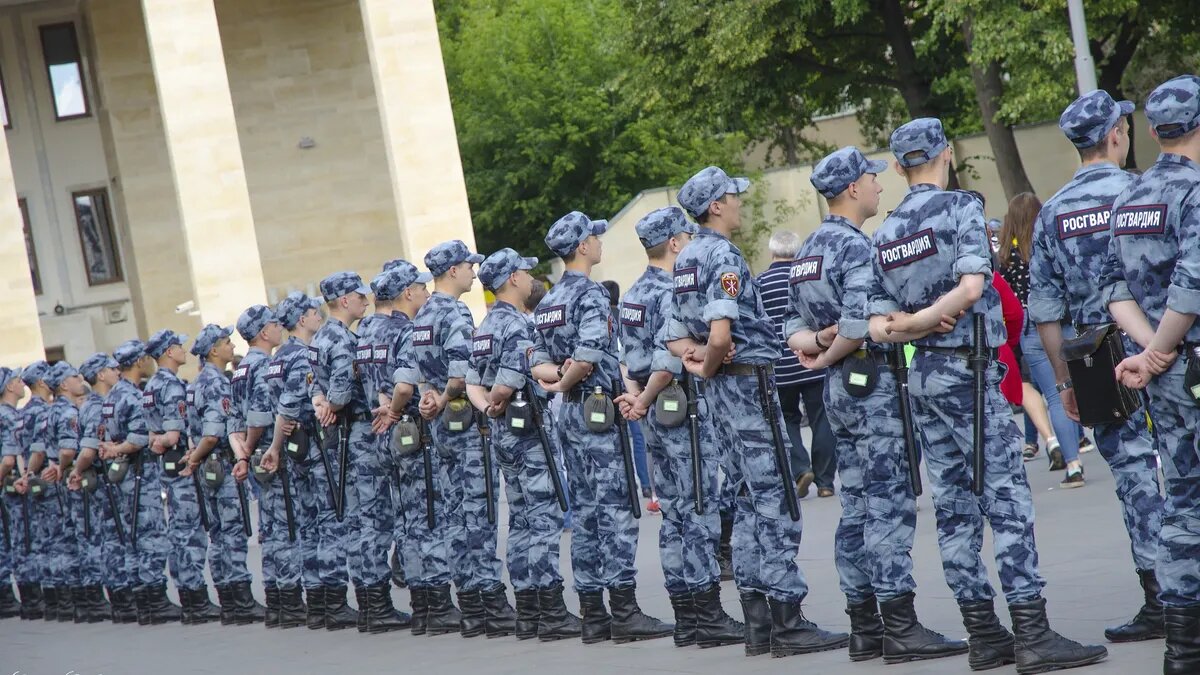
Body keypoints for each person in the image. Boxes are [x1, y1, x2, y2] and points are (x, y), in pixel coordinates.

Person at [870, 117, 1107, 672]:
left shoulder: (886, 232)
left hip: (924, 376)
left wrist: (911, 326)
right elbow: (973, 287)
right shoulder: (960, 210)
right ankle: (1032, 633)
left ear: (900, 166)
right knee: (1006, 501)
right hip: (968, 373)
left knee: (953, 507)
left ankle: (983, 634)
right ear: (946, 154)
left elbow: (876, 325)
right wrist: (930, 319)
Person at [787, 146, 966, 663]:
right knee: (888, 504)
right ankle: (900, 626)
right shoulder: (853, 247)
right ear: (851, 189)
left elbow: (792, 326)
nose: (878, 185)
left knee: (858, 505)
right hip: (872, 386)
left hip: (839, 391)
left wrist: (817, 348)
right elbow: (857, 322)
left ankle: (864, 625)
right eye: (870, 178)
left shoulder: (808, 251)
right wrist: (831, 350)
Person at [666, 166, 848, 659]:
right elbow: (720, 333)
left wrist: (698, 362)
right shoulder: (721, 254)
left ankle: (757, 621)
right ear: (716, 206)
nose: (739, 203)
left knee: (744, 499)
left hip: (723, 393)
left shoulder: (685, 259)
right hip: (748, 386)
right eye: (733, 196)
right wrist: (709, 361)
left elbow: (674, 335)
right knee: (776, 498)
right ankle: (787, 620)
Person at [1029, 88, 1166, 644]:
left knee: (1135, 477)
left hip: (1098, 360)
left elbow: (1045, 311)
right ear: (1115, 135)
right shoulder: (1145, 190)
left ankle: (1162, 598)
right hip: (1162, 343)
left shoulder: (1052, 213)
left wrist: (1064, 382)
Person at [531, 210, 672, 644]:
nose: (598, 242)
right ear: (582, 248)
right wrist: (566, 380)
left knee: (587, 512)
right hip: (597, 412)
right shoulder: (589, 294)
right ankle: (624, 611)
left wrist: (557, 380)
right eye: (593, 237)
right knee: (615, 509)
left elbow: (536, 361)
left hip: (572, 413)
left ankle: (593, 612)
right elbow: (590, 353)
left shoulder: (549, 300)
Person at [1100, 74, 1200, 674]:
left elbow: (1114, 288)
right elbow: (1191, 284)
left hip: (1163, 371)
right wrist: (1163, 348)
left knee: (1183, 501)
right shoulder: (1195, 191)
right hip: (1185, 360)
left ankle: (1183, 649)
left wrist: (1151, 351)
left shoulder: (1130, 195)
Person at [616, 207, 745, 649]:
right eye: (686, 238)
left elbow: (628, 360)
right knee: (700, 509)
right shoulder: (668, 290)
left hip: (654, 412)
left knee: (673, 514)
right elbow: (667, 361)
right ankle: (708, 616)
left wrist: (637, 397)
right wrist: (645, 398)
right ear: (674, 243)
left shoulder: (632, 294)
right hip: (680, 408)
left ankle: (687, 616)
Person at [467, 248, 578, 641]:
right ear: (512, 279)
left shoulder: (484, 327)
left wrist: (488, 407)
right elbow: (512, 376)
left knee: (520, 520)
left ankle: (528, 610)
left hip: (502, 431)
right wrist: (498, 397)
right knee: (543, 519)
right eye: (526, 272)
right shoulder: (516, 324)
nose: (531, 278)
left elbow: (471, 382)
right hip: (529, 434)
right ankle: (551, 612)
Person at [415, 240, 514, 637]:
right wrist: (442, 397)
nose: (474, 272)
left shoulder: (423, 314)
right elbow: (460, 373)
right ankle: (491, 603)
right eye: (469, 266)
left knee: (455, 515)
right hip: (465, 423)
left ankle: (470, 604)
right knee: (480, 510)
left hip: (441, 426)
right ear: (453, 271)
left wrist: (429, 398)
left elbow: (420, 371)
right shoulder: (455, 312)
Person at [268, 291, 357, 631]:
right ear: (302, 320)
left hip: (298, 449)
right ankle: (332, 601)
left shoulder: (277, 358)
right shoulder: (301, 355)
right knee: (330, 521)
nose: (319, 316)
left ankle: (318, 602)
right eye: (313, 312)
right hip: (315, 446)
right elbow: (289, 407)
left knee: (308, 525)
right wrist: (276, 446)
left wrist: (278, 446)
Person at [998, 193, 1086, 484]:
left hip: (1029, 326)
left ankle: (1072, 465)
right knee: (1075, 388)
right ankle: (1083, 441)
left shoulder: (1006, 255)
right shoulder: (1048, 243)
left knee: (1055, 394)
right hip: (1061, 320)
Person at [232, 305, 307, 629]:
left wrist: (242, 454)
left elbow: (233, 422)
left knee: (271, 528)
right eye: (275, 324)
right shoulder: (263, 365)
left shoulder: (240, 369)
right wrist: (252, 447)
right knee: (286, 526)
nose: (280, 328)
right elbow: (260, 417)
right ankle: (289, 601)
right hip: (271, 455)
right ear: (264, 332)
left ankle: (276, 601)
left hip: (256, 456)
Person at [185, 324, 263, 625]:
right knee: (231, 533)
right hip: (220, 464)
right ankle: (241, 602)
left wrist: (195, 458)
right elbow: (213, 433)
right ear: (214, 350)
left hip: (208, 467)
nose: (232, 346)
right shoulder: (216, 383)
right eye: (227, 342)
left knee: (217, 534)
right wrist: (195, 458)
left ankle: (228, 601)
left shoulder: (196, 383)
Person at [143, 329, 217, 625]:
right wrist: (165, 441)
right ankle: (195, 600)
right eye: (178, 346)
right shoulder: (171, 385)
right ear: (168, 352)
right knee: (189, 532)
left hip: (167, 465)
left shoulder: (151, 385)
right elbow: (172, 435)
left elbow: (153, 435)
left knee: (179, 529)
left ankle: (189, 597)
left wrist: (158, 441)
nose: (183, 350)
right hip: (182, 463)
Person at [755, 230, 828, 498]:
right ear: (797, 251)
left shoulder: (760, 283)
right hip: (812, 358)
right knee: (821, 418)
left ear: (772, 251)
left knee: (787, 418)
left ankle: (800, 468)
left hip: (779, 366)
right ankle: (826, 482)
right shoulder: (805, 277)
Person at [70, 354, 121, 622]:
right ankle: (117, 599)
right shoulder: (97, 406)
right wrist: (77, 471)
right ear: (100, 375)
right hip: (102, 481)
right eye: (112, 369)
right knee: (109, 539)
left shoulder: (94, 403)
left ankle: (114, 599)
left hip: (102, 479)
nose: (117, 372)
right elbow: (89, 450)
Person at [41, 362, 85, 621]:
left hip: (57, 480)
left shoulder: (50, 411)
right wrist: (63, 465)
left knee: (60, 540)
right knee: (76, 538)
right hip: (69, 478)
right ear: (64, 384)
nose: (80, 380)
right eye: (74, 377)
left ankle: (70, 602)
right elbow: (68, 449)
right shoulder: (68, 411)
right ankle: (83, 600)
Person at [15, 362, 57, 619]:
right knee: (57, 539)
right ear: (42, 381)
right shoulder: (42, 411)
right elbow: (39, 451)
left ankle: (51, 601)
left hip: (33, 480)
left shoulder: (23, 413)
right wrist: (31, 474)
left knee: (41, 539)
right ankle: (59, 599)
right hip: (46, 479)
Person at [0, 367, 32, 618]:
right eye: (18, 380)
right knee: (17, 539)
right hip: (10, 486)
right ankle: (11, 600)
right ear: (9, 386)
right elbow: (9, 459)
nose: (22, 384)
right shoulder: (9, 416)